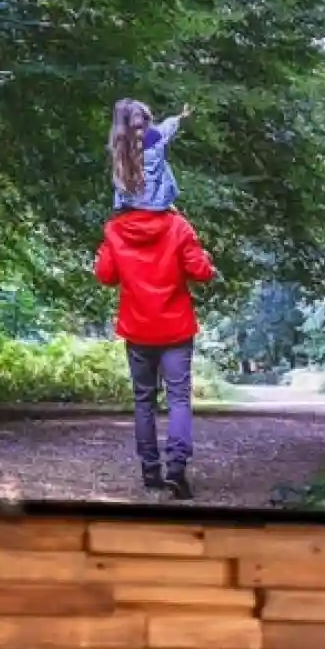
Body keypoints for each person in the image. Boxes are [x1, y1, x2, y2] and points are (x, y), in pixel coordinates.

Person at [96, 202, 214, 500]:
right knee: (178, 398)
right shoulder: (178, 226)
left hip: (137, 329)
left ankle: (150, 472)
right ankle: (176, 470)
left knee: (143, 401)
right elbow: (200, 272)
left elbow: (106, 275)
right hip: (175, 328)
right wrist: (207, 260)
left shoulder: (115, 229)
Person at [107, 98, 189, 214]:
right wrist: (181, 116)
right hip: (157, 204)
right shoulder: (155, 136)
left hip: (128, 205)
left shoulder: (120, 143)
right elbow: (167, 127)